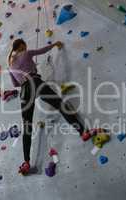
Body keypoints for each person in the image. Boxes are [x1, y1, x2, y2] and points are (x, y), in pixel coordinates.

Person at [8, 39, 87, 174]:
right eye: (25, 46)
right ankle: (83, 132)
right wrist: (55, 44)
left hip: (24, 91)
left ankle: (26, 162)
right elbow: (43, 50)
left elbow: (15, 84)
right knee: (59, 104)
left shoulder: (10, 66)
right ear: (22, 46)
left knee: (27, 126)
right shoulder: (26, 53)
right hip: (36, 83)